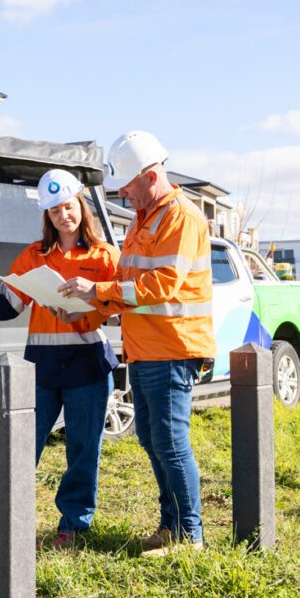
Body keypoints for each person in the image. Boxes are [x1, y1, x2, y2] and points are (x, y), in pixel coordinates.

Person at [0, 168, 119, 549]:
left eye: (68, 207)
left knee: (82, 454)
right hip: (43, 369)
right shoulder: (34, 255)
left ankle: (73, 528)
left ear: (81, 207)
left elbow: (120, 306)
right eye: (54, 212)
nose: (62, 216)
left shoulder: (106, 257)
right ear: (47, 216)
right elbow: (5, 305)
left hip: (88, 366)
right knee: (16, 450)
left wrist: (88, 307)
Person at [59, 131, 215, 556]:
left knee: (170, 440)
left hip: (172, 348)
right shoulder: (147, 219)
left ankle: (190, 537)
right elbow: (127, 288)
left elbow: (162, 285)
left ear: (150, 175)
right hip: (147, 350)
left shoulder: (180, 217)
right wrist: (89, 309)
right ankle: (172, 525)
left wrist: (96, 293)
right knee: (152, 437)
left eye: (127, 185)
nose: (123, 194)